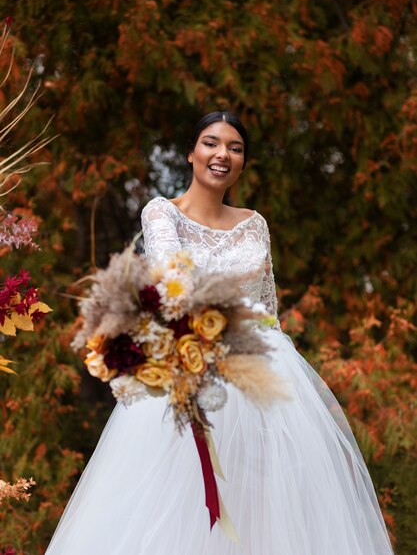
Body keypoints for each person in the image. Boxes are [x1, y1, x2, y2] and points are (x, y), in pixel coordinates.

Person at [45, 111, 395, 554]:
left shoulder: (254, 222)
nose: (222, 154)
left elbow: (268, 306)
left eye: (235, 148)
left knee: (264, 503)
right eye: (211, 143)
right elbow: (173, 281)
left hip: (263, 371)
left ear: (243, 163)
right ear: (191, 154)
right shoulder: (162, 213)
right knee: (181, 501)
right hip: (195, 360)